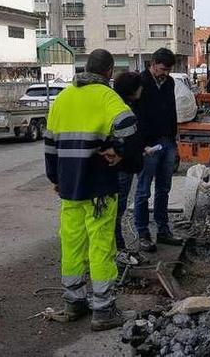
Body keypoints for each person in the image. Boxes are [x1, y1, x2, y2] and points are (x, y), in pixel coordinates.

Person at [44, 49, 141, 330]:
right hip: (99, 185)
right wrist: (121, 153)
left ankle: (74, 302)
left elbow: (50, 145)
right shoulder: (107, 96)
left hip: (70, 186)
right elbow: (129, 127)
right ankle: (103, 310)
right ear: (109, 71)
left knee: (71, 243)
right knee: (101, 246)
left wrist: (56, 177)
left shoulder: (62, 98)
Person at [133, 48, 182, 252]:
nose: (165, 73)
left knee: (164, 189)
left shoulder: (169, 83)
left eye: (168, 70)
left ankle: (163, 230)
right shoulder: (140, 82)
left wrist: (174, 140)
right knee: (143, 190)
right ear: (152, 64)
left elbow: (171, 111)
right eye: (162, 69)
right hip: (147, 145)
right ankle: (143, 232)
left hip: (167, 141)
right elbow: (136, 115)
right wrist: (141, 144)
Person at [111, 71, 145, 264]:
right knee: (117, 209)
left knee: (118, 209)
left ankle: (118, 246)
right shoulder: (122, 109)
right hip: (121, 167)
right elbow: (123, 141)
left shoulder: (128, 105)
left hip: (125, 164)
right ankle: (118, 248)